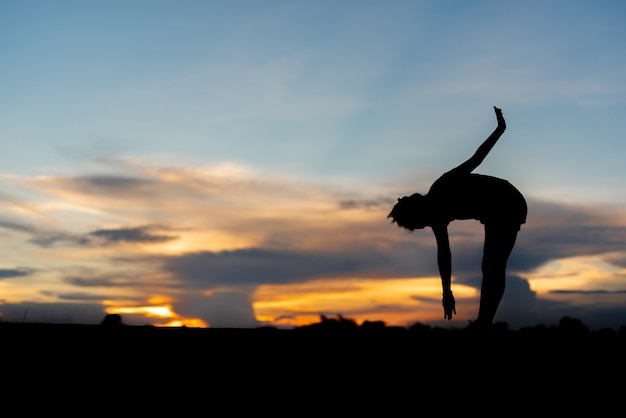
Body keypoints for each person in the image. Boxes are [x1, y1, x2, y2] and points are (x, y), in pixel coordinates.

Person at [388, 106, 527, 329]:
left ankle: (484, 324)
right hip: (494, 211)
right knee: (490, 266)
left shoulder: (443, 186)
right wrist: (447, 292)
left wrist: (500, 129)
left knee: (492, 265)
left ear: (416, 211)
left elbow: (477, 158)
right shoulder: (436, 216)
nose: (419, 228)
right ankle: (484, 323)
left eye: (414, 225)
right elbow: (444, 254)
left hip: (506, 200)